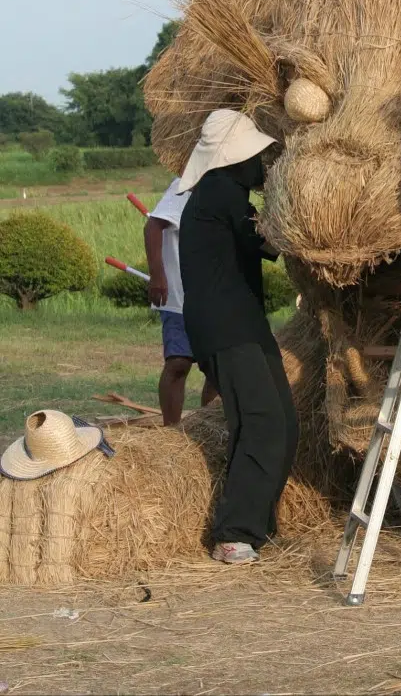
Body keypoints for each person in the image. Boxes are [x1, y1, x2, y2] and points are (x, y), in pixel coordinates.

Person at [178, 109, 298, 565]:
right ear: (233, 157)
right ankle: (233, 534)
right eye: (257, 156)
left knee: (284, 423)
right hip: (226, 327)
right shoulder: (219, 191)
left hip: (243, 323)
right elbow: (270, 241)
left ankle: (257, 523)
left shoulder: (225, 194)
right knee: (263, 422)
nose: (262, 165)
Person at [144, 178, 217, 425]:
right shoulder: (184, 185)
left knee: (217, 368)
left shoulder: (229, 189)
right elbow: (153, 226)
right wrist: (157, 275)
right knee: (178, 363)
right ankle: (171, 430)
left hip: (212, 298)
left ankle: (209, 427)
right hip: (177, 296)